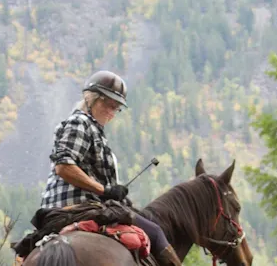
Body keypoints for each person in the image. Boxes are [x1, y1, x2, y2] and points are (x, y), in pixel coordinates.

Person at [39, 70, 182, 266]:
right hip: (80, 206)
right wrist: (105, 190)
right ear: (90, 99)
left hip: (68, 205)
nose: (112, 112)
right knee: (156, 233)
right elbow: (63, 167)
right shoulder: (80, 122)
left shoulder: (92, 129)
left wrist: (116, 193)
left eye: (116, 108)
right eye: (108, 104)